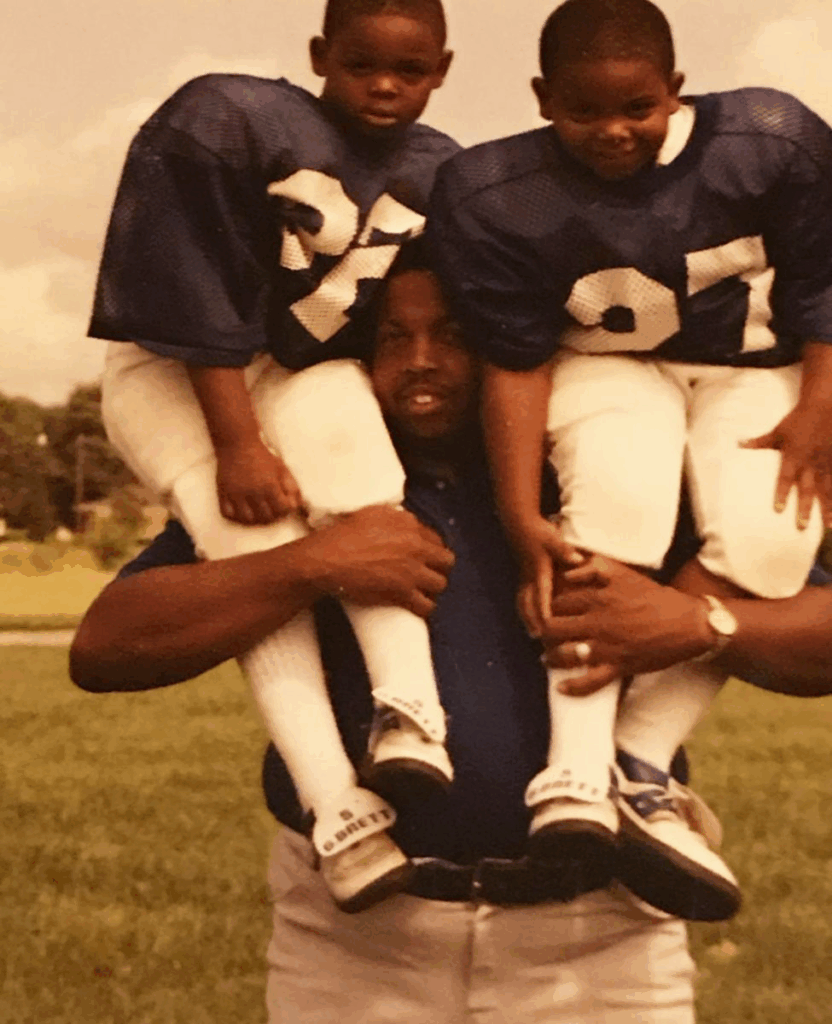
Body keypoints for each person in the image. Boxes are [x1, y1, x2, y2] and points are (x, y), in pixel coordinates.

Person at [72, 252, 832, 1023]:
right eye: (393, 339)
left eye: (453, 335)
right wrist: (310, 565)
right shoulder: (316, 470)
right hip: (361, 941)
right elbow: (104, 647)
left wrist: (705, 624)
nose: (421, 362)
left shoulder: (601, 463)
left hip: (595, 940)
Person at [427, 0, 832, 920]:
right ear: (541, 100)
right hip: (606, 366)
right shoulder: (496, 191)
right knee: (620, 499)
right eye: (584, 113)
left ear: (676, 92)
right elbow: (517, 359)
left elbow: (824, 280)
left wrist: (820, 408)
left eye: (638, 110)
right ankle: (571, 774)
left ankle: (637, 762)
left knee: (772, 545)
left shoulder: (771, 138)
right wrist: (520, 515)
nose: (613, 132)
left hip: (749, 367)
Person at [88, 0, 459, 912]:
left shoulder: (437, 164)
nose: (383, 87)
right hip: (174, 375)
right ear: (319, 55)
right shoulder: (230, 118)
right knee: (246, 537)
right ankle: (333, 804)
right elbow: (195, 301)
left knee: (356, 456)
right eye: (362, 64)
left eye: (406, 72)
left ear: (442, 70)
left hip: (300, 363)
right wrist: (238, 444)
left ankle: (411, 713)